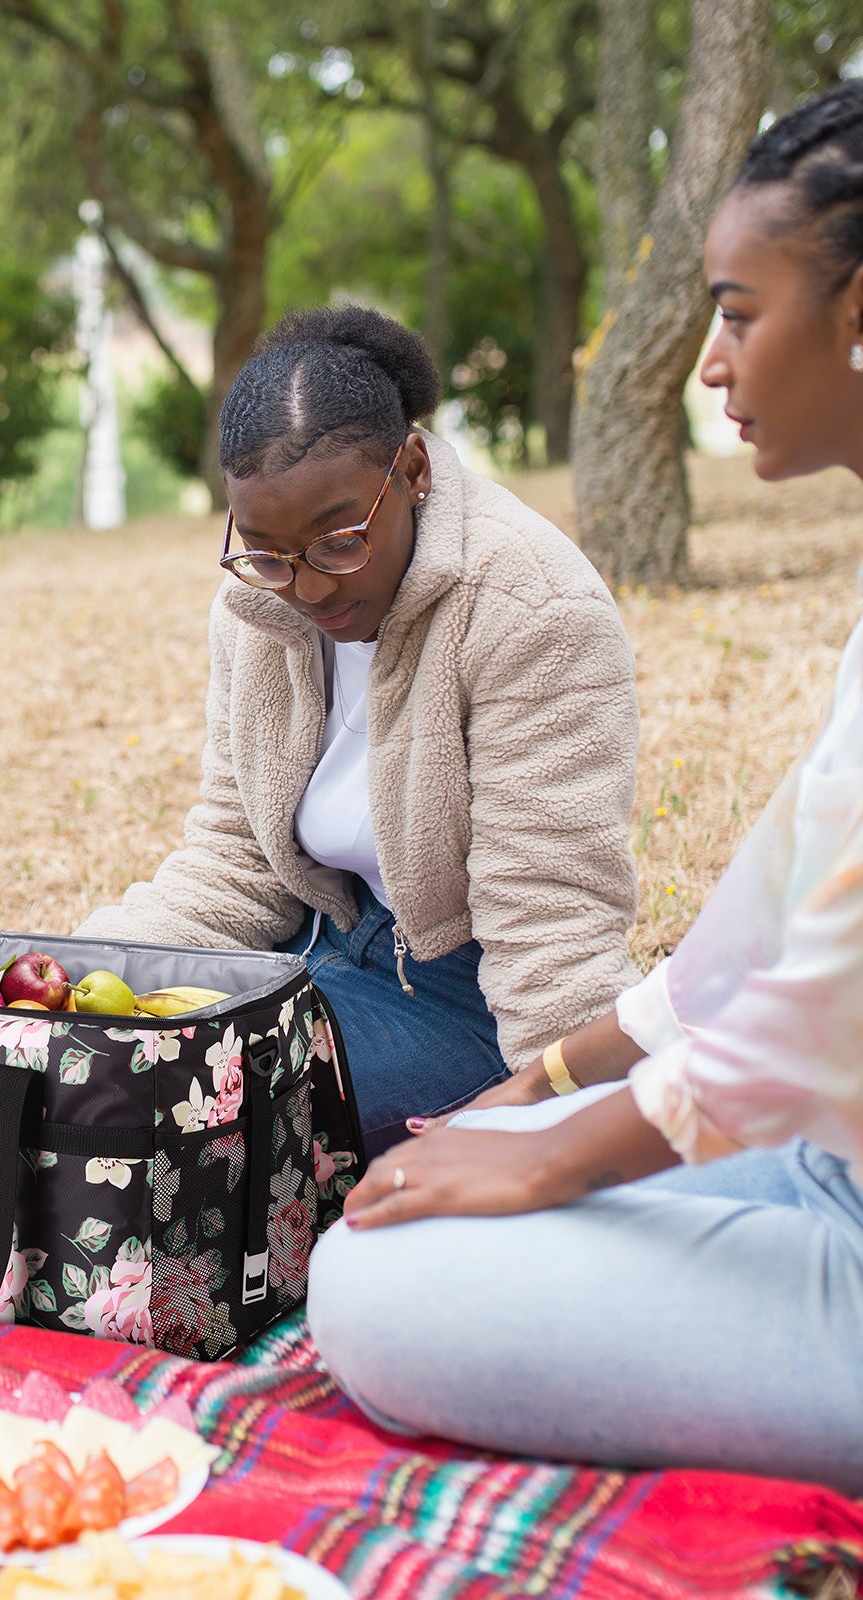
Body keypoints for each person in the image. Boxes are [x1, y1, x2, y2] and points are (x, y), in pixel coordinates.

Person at [307, 82, 863, 1497]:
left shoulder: (527, 597)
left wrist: (552, 1164)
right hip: (820, 1155)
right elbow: (771, 911)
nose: (714, 363)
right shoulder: (259, 610)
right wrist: (544, 1093)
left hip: (818, 1151)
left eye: (740, 314)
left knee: (370, 1295)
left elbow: (825, 1011)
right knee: (404, 1207)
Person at [78, 307, 641, 1152]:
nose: (304, 587)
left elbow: (549, 927)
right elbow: (237, 858)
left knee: (193, 1121)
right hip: (312, 949)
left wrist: (558, 1136)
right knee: (78, 1070)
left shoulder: (531, 608)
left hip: (468, 996)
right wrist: (79, 970)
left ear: (411, 468)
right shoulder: (257, 606)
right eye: (267, 552)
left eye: (338, 540)